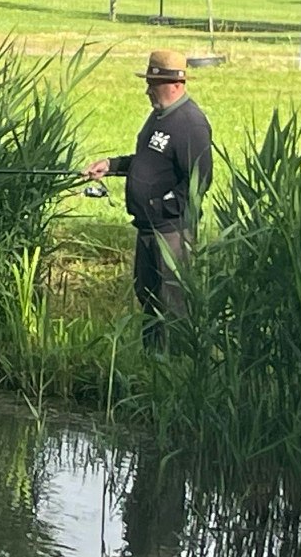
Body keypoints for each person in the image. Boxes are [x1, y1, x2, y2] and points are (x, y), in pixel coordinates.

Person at [84, 50, 214, 349]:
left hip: (172, 231)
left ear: (174, 84)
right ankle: (151, 359)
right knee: (148, 295)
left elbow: (200, 178)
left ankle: (177, 362)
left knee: (173, 302)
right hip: (147, 226)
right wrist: (112, 165)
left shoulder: (190, 123)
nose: (147, 91)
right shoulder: (158, 116)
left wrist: (164, 207)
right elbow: (148, 161)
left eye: (152, 84)